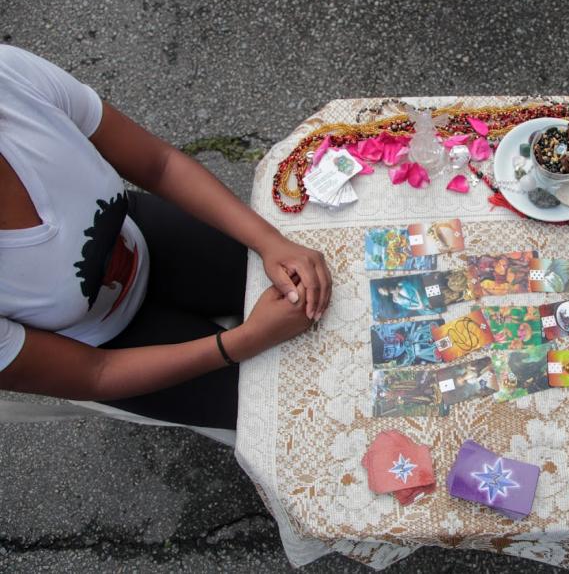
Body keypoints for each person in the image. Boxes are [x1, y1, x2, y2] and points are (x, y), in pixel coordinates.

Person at [0, 45, 332, 430]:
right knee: (301, 414)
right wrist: (243, 342)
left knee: (329, 294)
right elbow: (96, 374)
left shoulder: (9, 77)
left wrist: (270, 241)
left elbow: (160, 165)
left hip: (142, 237)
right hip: (106, 347)